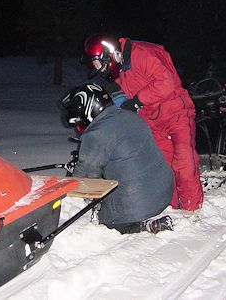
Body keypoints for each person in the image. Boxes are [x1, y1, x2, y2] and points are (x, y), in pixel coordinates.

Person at [80, 34, 203, 212]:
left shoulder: (144, 54)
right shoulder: (119, 73)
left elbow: (165, 83)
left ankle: (192, 209)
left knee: (183, 161)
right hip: (153, 122)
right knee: (163, 168)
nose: (103, 70)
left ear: (108, 53)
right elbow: (123, 102)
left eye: (101, 64)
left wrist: (138, 100)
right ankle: (173, 207)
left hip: (176, 113)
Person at [61, 83, 174, 234]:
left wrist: (66, 195)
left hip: (137, 202)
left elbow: (84, 178)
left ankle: (141, 225)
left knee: (107, 221)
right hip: (163, 192)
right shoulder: (130, 116)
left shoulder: (97, 133)